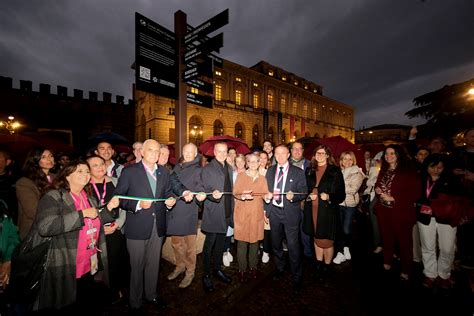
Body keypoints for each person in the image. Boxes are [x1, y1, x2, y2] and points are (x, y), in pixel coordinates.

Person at [113, 139, 191, 313]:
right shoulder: (130, 172)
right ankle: (135, 301)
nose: (155, 154)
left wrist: (170, 201)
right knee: (137, 266)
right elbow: (119, 197)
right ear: (141, 152)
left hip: (158, 226)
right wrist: (138, 204)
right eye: (151, 150)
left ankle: (151, 294)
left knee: (153, 265)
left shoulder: (163, 172)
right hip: (137, 227)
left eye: (157, 151)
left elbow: (168, 192)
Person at [29, 160, 118, 311]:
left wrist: (109, 209)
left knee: (86, 302)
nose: (85, 174)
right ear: (67, 176)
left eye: (87, 171)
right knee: (68, 304)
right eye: (80, 171)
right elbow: (45, 227)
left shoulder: (88, 197)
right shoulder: (54, 196)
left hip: (89, 261)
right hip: (67, 262)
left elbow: (96, 219)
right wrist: (81, 215)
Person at [416, 154, 463, 290]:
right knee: (427, 246)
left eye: (440, 167)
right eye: (433, 167)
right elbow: (414, 195)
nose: (437, 170)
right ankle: (430, 274)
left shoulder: (451, 179)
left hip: (446, 218)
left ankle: (444, 274)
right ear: (427, 166)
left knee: (447, 248)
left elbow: (460, 198)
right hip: (425, 216)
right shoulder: (420, 178)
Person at [265, 145, 307, 293]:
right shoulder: (270, 171)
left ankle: (297, 276)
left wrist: (294, 196)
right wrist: (266, 200)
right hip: (274, 212)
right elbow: (266, 191)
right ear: (274, 155)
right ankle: (280, 268)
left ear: (288, 154)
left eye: (283, 153)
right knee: (276, 243)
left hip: (290, 213)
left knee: (293, 245)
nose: (280, 156)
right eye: (277, 154)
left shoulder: (298, 172)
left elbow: (303, 192)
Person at [375, 144, 420, 281]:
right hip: (384, 211)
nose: (388, 156)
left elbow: (416, 193)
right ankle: (387, 260)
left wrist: (395, 198)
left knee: (404, 241)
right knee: (387, 238)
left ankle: (406, 268)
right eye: (386, 154)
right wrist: (378, 190)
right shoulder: (384, 170)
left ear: (398, 155)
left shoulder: (408, 171)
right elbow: (378, 184)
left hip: (401, 212)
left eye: (392, 153)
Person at [86, 155, 128, 304]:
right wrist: (100, 227)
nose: (100, 167)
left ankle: (116, 290)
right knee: (97, 264)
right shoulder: (85, 186)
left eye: (102, 164)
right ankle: (101, 291)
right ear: (88, 169)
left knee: (116, 261)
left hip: (114, 228)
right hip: (94, 232)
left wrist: (119, 223)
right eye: (95, 165)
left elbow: (123, 206)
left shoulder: (115, 182)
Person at [166, 143, 206, 289]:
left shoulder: (198, 170)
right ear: (182, 152)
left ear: (196, 154)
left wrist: (200, 195)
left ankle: (190, 271)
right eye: (186, 151)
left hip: (189, 211)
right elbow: (171, 185)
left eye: (191, 152)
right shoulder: (177, 167)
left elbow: (201, 187)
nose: (188, 154)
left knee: (189, 246)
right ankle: (180, 266)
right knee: (176, 243)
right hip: (175, 211)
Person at [303, 145, 345, 279]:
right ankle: (318, 263)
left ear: (327, 155)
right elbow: (305, 191)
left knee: (326, 241)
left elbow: (341, 195)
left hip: (327, 212)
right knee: (316, 238)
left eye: (322, 153)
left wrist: (329, 197)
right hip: (313, 211)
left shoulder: (335, 171)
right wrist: (309, 196)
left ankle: (327, 266)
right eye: (317, 153)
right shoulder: (309, 170)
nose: (319, 155)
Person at [200, 142, 234, 293]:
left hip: (226, 212)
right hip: (214, 213)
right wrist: (212, 193)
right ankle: (206, 275)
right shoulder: (207, 169)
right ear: (214, 152)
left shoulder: (229, 167)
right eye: (219, 151)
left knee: (220, 244)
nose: (222, 154)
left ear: (227, 153)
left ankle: (217, 269)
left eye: (224, 151)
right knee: (209, 246)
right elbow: (204, 189)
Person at [233, 153, 272, 283]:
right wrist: (242, 196)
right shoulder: (241, 176)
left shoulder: (262, 179)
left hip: (256, 214)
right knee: (242, 244)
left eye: (256, 161)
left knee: (255, 243)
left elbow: (264, 195)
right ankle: (242, 269)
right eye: (251, 161)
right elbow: (235, 192)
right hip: (242, 215)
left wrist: (267, 197)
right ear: (247, 163)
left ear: (259, 162)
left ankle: (253, 267)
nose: (253, 163)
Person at [333, 151, 364, 264]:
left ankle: (346, 246)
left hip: (350, 205)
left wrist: (337, 187)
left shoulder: (357, 172)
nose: (347, 161)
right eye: (344, 159)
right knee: (339, 229)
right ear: (341, 161)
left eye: (350, 159)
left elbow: (353, 189)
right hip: (338, 204)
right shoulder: (338, 172)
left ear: (353, 160)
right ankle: (340, 252)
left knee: (346, 229)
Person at [16, 148, 54, 240]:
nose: (49, 159)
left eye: (51, 156)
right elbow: (32, 211)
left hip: (56, 227)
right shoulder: (25, 182)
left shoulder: (57, 178)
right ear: (35, 160)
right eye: (43, 157)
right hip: (34, 231)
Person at [289, 141, 312, 260]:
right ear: (291, 151)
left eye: (300, 149)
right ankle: (293, 253)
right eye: (294, 149)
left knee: (305, 229)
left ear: (303, 151)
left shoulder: (310, 165)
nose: (297, 151)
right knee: (291, 230)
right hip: (290, 203)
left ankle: (307, 252)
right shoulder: (285, 164)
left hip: (305, 203)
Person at [258, 151, 272, 263]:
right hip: (254, 205)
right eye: (260, 158)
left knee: (266, 229)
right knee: (256, 228)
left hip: (266, 204)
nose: (262, 160)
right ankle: (257, 247)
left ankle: (266, 251)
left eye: (264, 158)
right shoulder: (253, 171)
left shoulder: (270, 172)